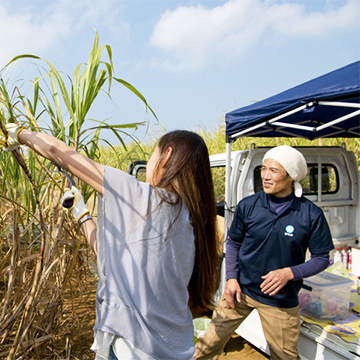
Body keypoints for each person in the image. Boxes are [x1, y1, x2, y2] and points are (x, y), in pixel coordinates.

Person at [1, 124, 220, 360]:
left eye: (153, 153)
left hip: (133, 351)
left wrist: (20, 134)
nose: (149, 161)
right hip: (176, 349)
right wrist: (81, 213)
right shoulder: (192, 219)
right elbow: (111, 258)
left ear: (166, 155)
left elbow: (59, 152)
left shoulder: (141, 195)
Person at [194, 145, 334, 360]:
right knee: (206, 346)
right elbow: (234, 243)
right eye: (263, 169)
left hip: (280, 301)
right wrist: (231, 279)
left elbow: (322, 258)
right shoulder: (248, 205)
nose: (266, 176)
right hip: (240, 292)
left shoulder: (310, 214)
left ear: (291, 177)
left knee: (285, 356)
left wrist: (289, 273)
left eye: (274, 171)